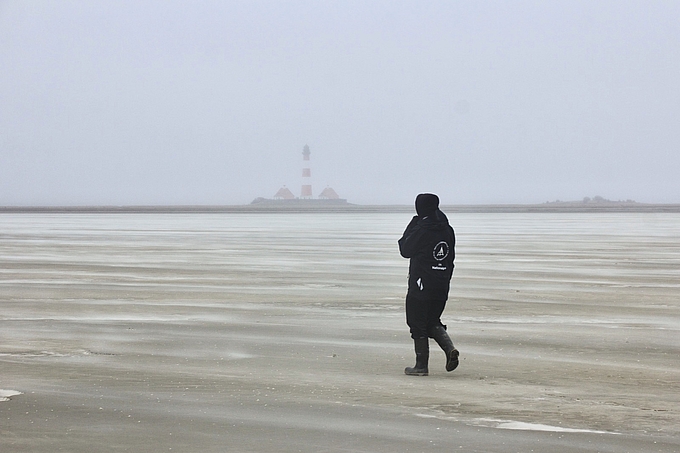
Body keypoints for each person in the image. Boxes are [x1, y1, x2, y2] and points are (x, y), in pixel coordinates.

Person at [398, 193, 459, 376]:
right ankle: (449, 350)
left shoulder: (422, 229)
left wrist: (412, 224)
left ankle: (421, 366)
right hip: (442, 283)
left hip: (421, 284)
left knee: (417, 323)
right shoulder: (447, 229)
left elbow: (405, 249)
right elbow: (451, 258)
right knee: (432, 320)